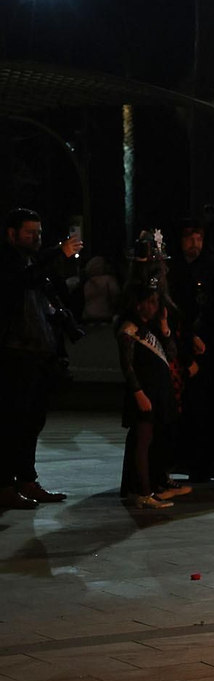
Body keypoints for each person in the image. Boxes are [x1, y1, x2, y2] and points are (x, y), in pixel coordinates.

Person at [0, 208, 80, 509]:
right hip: (14, 354)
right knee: (12, 422)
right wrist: (55, 252)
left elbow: (46, 293)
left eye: (39, 232)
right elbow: (20, 282)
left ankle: (26, 480)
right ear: (12, 233)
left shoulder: (33, 262)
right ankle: (5, 485)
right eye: (30, 232)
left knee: (32, 422)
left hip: (37, 353)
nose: (36, 238)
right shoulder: (8, 261)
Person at [168, 216, 214, 482]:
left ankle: (203, 463)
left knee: (206, 406)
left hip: (209, 347)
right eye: (190, 237)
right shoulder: (174, 268)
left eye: (198, 237)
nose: (194, 243)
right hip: (179, 345)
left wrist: (208, 320)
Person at [116, 282, 181, 509]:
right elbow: (127, 366)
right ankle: (142, 491)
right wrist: (138, 393)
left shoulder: (150, 328)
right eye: (151, 302)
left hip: (157, 392)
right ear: (138, 303)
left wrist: (164, 326)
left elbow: (171, 354)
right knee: (142, 442)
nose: (155, 307)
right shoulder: (129, 330)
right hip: (143, 394)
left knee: (153, 441)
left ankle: (150, 487)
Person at [80, 256, 120, 323]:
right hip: (104, 316)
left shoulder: (87, 283)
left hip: (88, 316)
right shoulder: (108, 280)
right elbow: (116, 296)